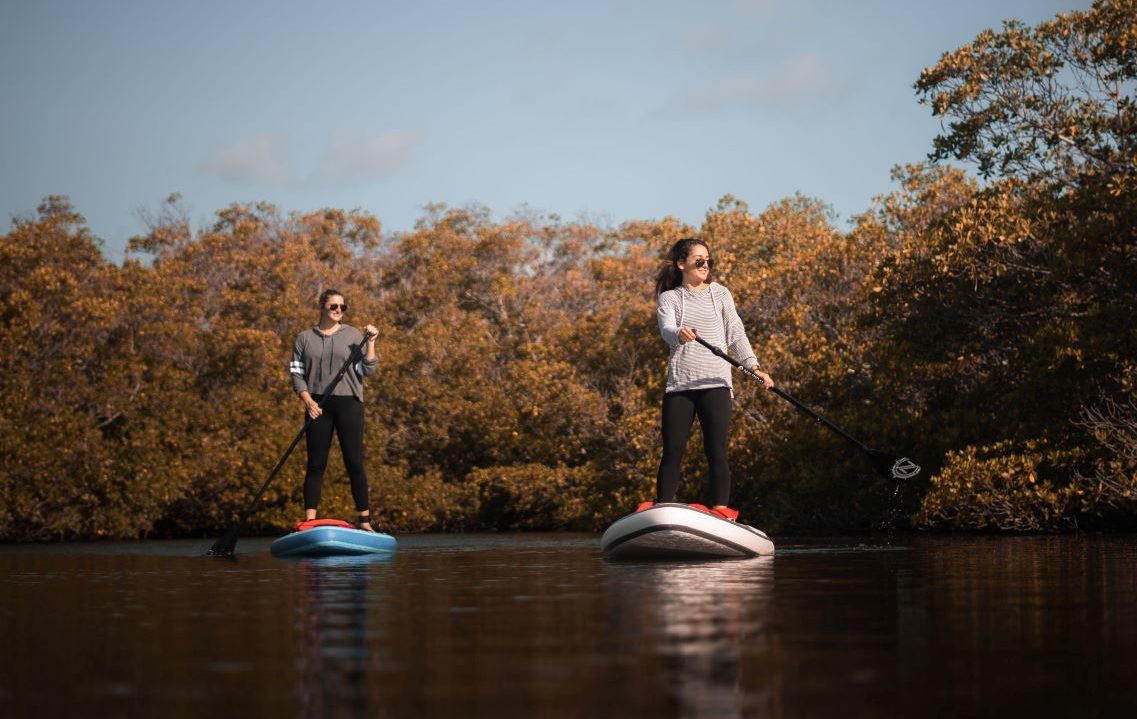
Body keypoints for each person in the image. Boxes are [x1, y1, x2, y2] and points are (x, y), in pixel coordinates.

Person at [648, 238, 774, 520]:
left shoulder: (720, 294)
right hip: (681, 386)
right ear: (682, 264)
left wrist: (754, 367)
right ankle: (663, 509)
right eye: (699, 260)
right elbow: (666, 329)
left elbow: (736, 333)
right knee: (672, 451)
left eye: (708, 260)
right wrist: (679, 333)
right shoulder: (670, 298)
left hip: (716, 383)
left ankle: (720, 510)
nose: (705, 265)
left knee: (716, 451)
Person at [289, 289, 380, 531]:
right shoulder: (304, 338)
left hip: (349, 403)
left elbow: (367, 370)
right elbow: (296, 374)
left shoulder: (353, 335)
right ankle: (309, 521)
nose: (339, 310)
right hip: (317, 405)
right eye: (333, 306)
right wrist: (308, 401)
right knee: (316, 463)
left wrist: (371, 342)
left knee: (354, 462)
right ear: (322, 307)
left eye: (342, 307)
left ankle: (365, 521)